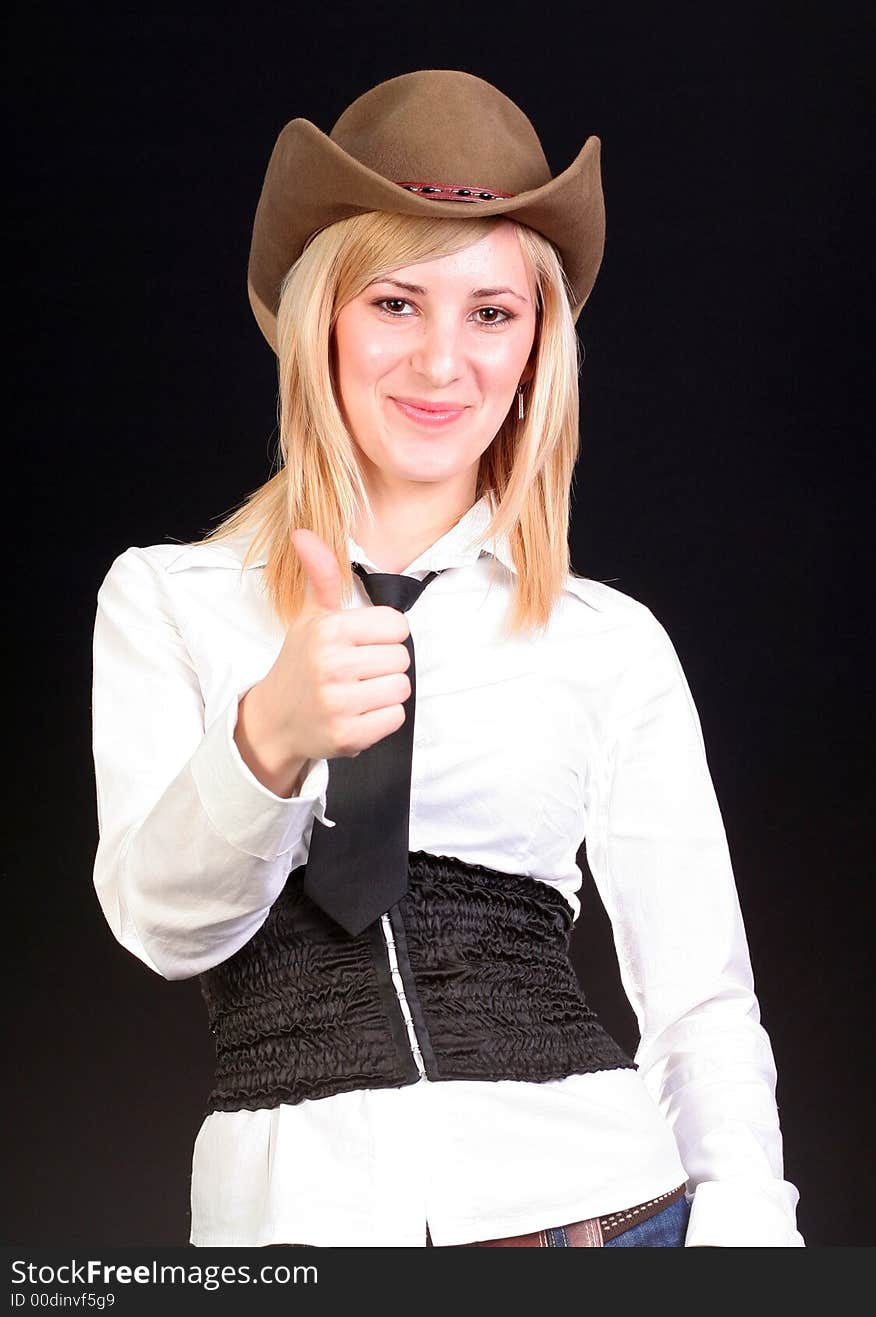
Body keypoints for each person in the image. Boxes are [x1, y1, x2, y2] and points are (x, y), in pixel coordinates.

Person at [90, 69, 804, 1248]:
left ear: (535, 350)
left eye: (490, 313)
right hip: (289, 1237)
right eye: (394, 303)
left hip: (604, 1219)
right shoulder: (170, 599)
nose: (439, 365)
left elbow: (699, 1001)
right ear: (322, 316)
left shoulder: (607, 642)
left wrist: (746, 1237)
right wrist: (268, 740)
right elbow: (166, 930)